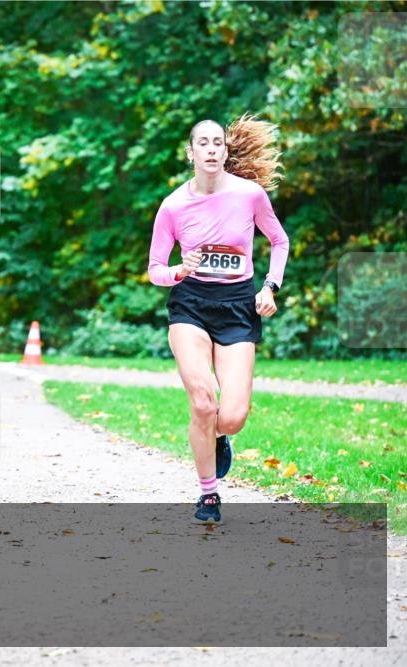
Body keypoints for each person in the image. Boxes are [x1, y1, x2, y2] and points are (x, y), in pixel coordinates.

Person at [147, 114, 289, 525]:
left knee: (231, 416)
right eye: (203, 143)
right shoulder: (173, 205)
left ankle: (220, 436)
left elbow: (279, 241)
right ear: (190, 153)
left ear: (226, 152)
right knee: (203, 401)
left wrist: (269, 287)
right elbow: (155, 269)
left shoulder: (250, 195)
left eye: (217, 143)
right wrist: (179, 270)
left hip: (238, 306)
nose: (211, 149)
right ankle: (208, 493)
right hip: (190, 304)